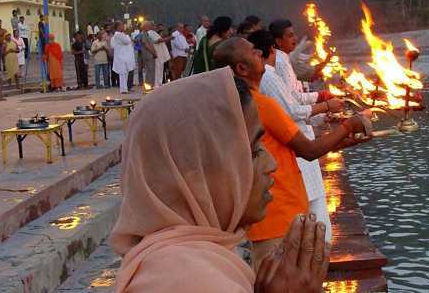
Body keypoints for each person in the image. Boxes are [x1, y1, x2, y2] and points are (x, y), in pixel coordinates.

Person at [111, 68, 329, 292]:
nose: (271, 165)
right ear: (195, 175)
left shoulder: (189, 262)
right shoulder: (193, 281)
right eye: (252, 152)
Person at [213, 37, 371, 270]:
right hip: (278, 218)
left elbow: (281, 150)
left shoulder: (234, 104)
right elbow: (307, 151)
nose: (260, 52)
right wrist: (349, 126)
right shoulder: (262, 105)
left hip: (260, 220)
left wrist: (338, 143)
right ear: (241, 68)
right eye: (253, 52)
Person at [249, 29, 341, 240]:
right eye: (289, 35)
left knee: (312, 200)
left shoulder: (270, 75)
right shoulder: (268, 78)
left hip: (296, 140)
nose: (293, 39)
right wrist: (328, 107)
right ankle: (315, 248)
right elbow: (292, 111)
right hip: (295, 143)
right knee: (310, 204)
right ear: (273, 47)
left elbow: (294, 98)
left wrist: (321, 100)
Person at [110, 21, 135, 94]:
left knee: (125, 73)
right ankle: (123, 89)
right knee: (123, 74)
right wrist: (127, 35)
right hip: (122, 57)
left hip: (124, 57)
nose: (123, 26)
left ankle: (125, 88)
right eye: (121, 25)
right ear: (118, 27)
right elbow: (127, 41)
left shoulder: (120, 35)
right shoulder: (118, 35)